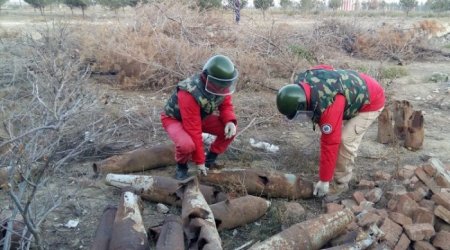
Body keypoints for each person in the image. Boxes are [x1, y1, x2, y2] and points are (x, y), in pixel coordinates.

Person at [276, 64, 385, 197]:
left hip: (372, 100)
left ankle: (341, 183)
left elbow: (331, 143)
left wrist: (324, 180)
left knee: (346, 139)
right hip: (358, 86)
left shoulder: (328, 106)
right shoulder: (305, 79)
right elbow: (325, 67)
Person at [161, 55, 239, 180]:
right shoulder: (189, 92)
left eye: (225, 85)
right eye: (220, 86)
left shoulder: (221, 86)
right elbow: (193, 129)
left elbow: (226, 106)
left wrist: (230, 121)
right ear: (209, 79)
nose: (223, 88)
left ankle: (211, 158)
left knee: (230, 130)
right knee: (186, 145)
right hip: (174, 119)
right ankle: (181, 166)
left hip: (200, 116)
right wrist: (199, 161)